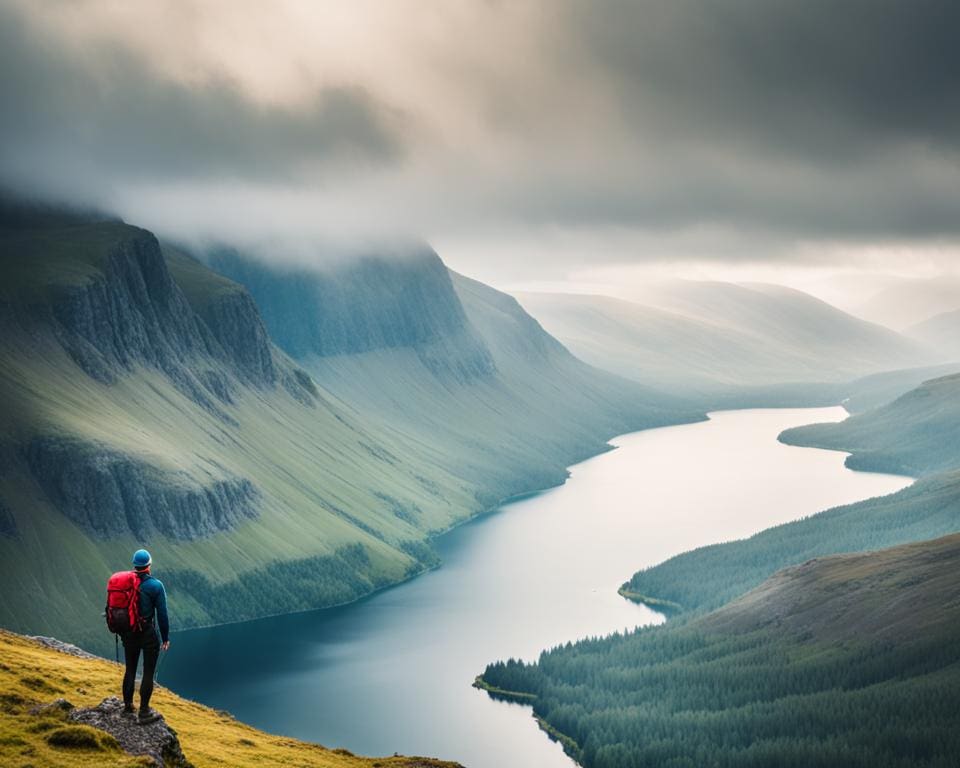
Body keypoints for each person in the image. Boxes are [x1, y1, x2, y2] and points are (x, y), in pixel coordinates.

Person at [121, 548, 170, 724]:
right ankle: (144, 711)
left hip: (129, 633)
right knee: (148, 672)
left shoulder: (125, 583)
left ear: (135, 565)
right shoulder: (156, 586)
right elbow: (162, 615)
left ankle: (127, 707)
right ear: (148, 565)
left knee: (130, 669)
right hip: (148, 634)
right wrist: (165, 638)